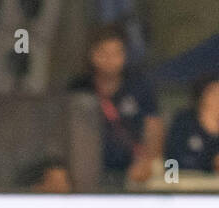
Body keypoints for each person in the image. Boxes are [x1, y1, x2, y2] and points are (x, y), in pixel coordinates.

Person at [67, 25, 162, 187]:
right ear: (92, 54)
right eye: (104, 53)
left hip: (133, 170)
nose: (110, 59)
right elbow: (66, 133)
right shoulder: (79, 88)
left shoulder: (139, 86)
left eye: (116, 53)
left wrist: (147, 162)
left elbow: (153, 127)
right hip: (87, 171)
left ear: (124, 55)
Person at [165, 73, 219, 174]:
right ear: (202, 96)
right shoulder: (184, 123)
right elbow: (173, 160)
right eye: (216, 94)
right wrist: (211, 163)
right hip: (185, 185)